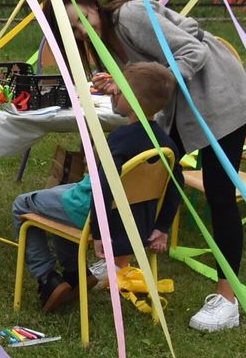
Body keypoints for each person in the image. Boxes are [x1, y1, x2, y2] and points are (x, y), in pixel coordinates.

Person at [57, 0, 246, 333]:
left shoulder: (130, 16)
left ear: (92, 5)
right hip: (181, 106)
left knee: (220, 193)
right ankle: (120, 261)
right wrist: (119, 87)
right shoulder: (107, 42)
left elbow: (193, 51)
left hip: (219, 95)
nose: (83, 31)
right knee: (144, 170)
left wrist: (155, 82)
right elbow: (140, 90)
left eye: (83, 20)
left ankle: (228, 300)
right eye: (74, 31)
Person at [12, 62, 179, 313]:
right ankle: (75, 275)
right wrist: (162, 227)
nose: (113, 94)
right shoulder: (166, 144)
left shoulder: (120, 139)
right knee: (58, 196)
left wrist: (100, 234)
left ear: (132, 100)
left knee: (22, 204)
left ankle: (47, 278)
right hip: (131, 219)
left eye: (118, 91)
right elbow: (176, 185)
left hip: (93, 212)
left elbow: (103, 188)